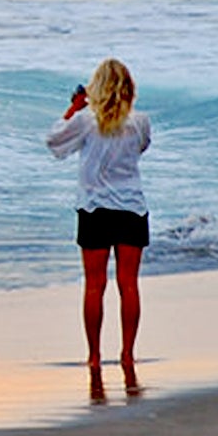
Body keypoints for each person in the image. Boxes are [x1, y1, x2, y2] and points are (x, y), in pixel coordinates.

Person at [46, 58, 151, 383]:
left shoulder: (85, 120)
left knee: (94, 286)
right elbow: (142, 148)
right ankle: (127, 354)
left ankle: (94, 356)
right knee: (129, 285)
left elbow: (54, 142)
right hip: (131, 207)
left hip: (94, 207)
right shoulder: (140, 121)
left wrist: (73, 108)